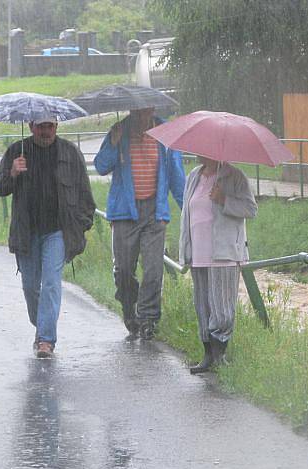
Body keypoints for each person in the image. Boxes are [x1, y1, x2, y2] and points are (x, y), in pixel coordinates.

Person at [0, 116, 96, 358]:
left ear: (57, 127)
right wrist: (12, 173)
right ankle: (42, 325)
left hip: (57, 232)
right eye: (41, 127)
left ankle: (46, 340)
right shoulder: (16, 151)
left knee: (51, 282)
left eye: (50, 126)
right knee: (30, 287)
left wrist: (81, 225)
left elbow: (84, 193)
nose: (46, 131)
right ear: (31, 127)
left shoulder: (70, 153)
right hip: (27, 233)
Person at [94, 107, 185, 341]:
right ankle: (128, 307)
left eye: (145, 113)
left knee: (153, 270)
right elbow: (101, 166)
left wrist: (189, 209)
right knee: (124, 270)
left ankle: (148, 320)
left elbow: (176, 175)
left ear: (152, 110)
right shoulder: (119, 131)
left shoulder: (166, 134)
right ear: (131, 111)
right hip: (124, 211)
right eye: (136, 113)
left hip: (154, 212)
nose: (141, 118)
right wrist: (113, 143)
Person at [179, 156, 258, 374]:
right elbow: (186, 213)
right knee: (203, 305)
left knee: (222, 309)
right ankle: (207, 355)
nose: (198, 151)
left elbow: (251, 209)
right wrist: (184, 248)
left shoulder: (234, 176)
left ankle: (219, 355)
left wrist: (225, 200)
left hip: (224, 251)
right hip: (198, 251)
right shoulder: (193, 176)